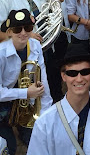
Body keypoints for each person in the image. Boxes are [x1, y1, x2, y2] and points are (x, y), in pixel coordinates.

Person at [27, 44, 90, 155]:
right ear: (63, 76)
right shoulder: (45, 122)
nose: (79, 79)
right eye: (72, 73)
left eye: (85, 72)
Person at [0, 9, 52, 154]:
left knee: (38, 140)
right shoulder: (1, 53)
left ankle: (24, 132)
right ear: (9, 32)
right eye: (18, 29)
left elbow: (43, 81)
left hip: (24, 105)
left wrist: (45, 114)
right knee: (9, 147)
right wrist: (26, 92)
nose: (23, 33)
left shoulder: (35, 46)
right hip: (3, 105)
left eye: (28, 28)